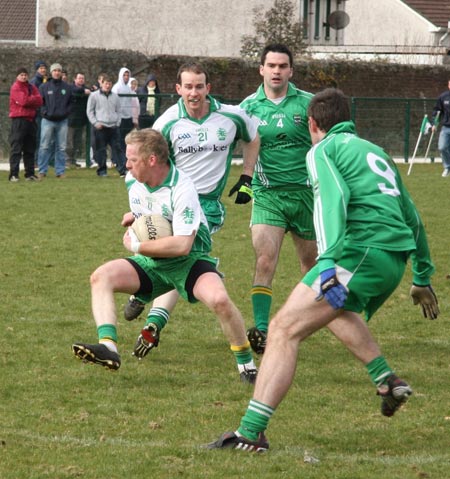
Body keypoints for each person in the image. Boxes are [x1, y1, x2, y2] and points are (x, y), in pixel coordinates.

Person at [207, 88, 439, 452]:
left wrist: (327, 261)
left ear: (312, 123)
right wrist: (422, 276)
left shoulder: (322, 150)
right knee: (333, 310)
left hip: (359, 253)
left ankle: (250, 434)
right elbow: (413, 218)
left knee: (284, 329)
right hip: (390, 260)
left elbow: (332, 202)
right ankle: (386, 379)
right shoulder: (376, 151)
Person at [72, 128, 258, 384]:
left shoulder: (182, 188)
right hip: (153, 264)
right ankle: (109, 348)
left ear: (151, 160)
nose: (126, 165)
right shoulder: (132, 181)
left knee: (220, 300)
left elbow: (182, 245)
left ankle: (246, 364)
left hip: (189, 261)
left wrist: (137, 246)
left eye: (132, 160)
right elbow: (152, 215)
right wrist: (135, 218)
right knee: (101, 277)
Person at [123, 62, 260, 363]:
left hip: (207, 206)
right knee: (177, 258)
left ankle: (149, 308)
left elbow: (253, 136)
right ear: (178, 89)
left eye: (199, 86)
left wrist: (247, 176)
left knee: (181, 256)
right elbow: (143, 160)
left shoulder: (230, 116)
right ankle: (146, 298)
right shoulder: (168, 122)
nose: (194, 92)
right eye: (188, 86)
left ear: (208, 88)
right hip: (170, 199)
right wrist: (138, 203)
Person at [239, 43, 317, 355]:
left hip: (306, 196)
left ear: (291, 71)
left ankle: (300, 322)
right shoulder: (248, 107)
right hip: (267, 195)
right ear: (261, 69)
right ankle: (260, 329)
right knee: (265, 260)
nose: (276, 71)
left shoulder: (309, 104)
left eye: (282, 66)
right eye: (271, 65)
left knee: (310, 265)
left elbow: (324, 145)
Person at [37, 63, 73, 179]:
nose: (57, 72)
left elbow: (71, 103)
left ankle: (60, 171)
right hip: (48, 121)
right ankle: (42, 170)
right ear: (51, 72)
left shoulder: (67, 87)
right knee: (44, 146)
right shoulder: (44, 87)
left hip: (62, 121)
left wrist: (66, 113)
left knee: (61, 147)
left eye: (59, 70)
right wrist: (45, 113)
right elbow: (40, 103)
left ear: (61, 72)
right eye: (55, 70)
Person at [8, 67, 43, 182]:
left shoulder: (31, 87)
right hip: (19, 120)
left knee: (30, 149)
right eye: (21, 75)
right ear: (17, 76)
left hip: (31, 121)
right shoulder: (15, 87)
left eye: (25, 75)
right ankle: (14, 174)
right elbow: (23, 101)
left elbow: (40, 100)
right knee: (16, 149)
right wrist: (32, 99)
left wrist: (30, 99)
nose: (24, 77)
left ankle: (30, 174)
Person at [86, 75, 123, 177]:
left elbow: (119, 111)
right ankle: (102, 171)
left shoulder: (115, 97)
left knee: (117, 149)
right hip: (100, 127)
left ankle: (122, 171)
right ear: (101, 83)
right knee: (100, 150)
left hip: (113, 127)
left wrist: (117, 123)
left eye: (110, 83)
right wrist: (95, 123)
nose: (108, 85)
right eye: (106, 83)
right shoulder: (94, 96)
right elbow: (90, 111)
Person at [112, 67, 136, 176]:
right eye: (124, 75)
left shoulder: (129, 88)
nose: (126, 77)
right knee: (119, 142)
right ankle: (118, 162)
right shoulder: (116, 88)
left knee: (127, 141)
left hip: (128, 117)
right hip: (119, 118)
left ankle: (127, 162)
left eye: (128, 75)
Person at [66, 72, 90, 168]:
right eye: (79, 78)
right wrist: (84, 91)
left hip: (81, 120)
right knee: (69, 142)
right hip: (71, 120)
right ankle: (67, 160)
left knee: (77, 142)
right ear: (75, 79)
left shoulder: (85, 88)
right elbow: (76, 91)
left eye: (82, 78)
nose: (81, 80)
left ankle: (73, 160)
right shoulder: (71, 88)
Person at [431, 79, 450, 177]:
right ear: (448, 84)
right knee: (442, 147)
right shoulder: (443, 97)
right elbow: (437, 111)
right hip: (446, 127)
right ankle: (447, 167)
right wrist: (434, 124)